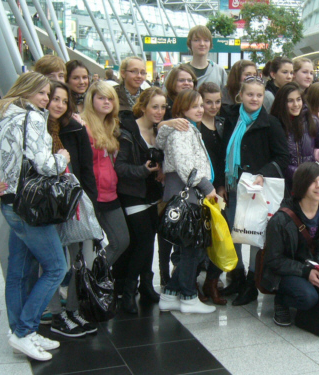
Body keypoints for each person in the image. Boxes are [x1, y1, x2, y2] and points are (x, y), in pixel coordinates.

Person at [0, 71, 69, 361]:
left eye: (48, 95)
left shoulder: (6, 116)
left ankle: (21, 331)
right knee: (56, 268)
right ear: (26, 91)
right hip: (30, 207)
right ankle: (24, 331)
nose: (46, 100)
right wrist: (63, 159)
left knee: (19, 272)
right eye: (42, 93)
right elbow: (45, 165)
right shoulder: (33, 118)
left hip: (11, 202)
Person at [219, 76, 290, 306]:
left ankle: (251, 282)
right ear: (240, 95)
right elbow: (222, 152)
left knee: (253, 235)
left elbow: (282, 157)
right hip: (233, 185)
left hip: (256, 189)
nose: (255, 99)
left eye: (259, 95)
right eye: (250, 94)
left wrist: (262, 173)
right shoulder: (231, 119)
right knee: (235, 233)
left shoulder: (271, 123)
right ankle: (237, 277)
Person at [262, 162, 319, 326]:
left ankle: (314, 297)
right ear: (302, 184)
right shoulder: (281, 219)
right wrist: (305, 272)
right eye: (313, 181)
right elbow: (273, 260)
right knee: (307, 298)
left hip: (312, 266)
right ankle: (281, 300)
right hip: (285, 272)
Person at [41, 81, 98, 337]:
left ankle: (73, 308)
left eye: (64, 101)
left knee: (78, 259)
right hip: (45, 204)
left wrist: (90, 203)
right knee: (52, 261)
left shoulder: (75, 128)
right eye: (55, 99)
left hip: (73, 202)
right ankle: (56, 313)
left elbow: (86, 168)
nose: (59, 105)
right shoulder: (36, 128)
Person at [156, 89, 217, 314]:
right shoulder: (181, 131)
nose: (201, 109)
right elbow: (184, 166)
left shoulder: (187, 128)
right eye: (195, 106)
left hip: (183, 192)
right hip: (185, 193)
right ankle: (189, 297)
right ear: (182, 109)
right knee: (192, 248)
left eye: (201, 105)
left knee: (190, 248)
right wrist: (207, 187)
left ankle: (171, 293)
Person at [114, 87, 165, 314]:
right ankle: (127, 291)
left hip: (152, 195)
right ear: (143, 106)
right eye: (155, 106)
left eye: (163, 107)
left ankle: (145, 285)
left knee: (146, 243)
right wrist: (144, 170)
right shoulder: (128, 131)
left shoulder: (158, 131)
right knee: (143, 242)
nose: (159, 111)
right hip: (132, 194)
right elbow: (121, 168)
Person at [81, 82, 130, 290]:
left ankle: (93, 278)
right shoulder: (82, 126)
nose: (106, 102)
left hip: (110, 193)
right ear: (91, 100)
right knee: (83, 249)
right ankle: (86, 285)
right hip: (90, 196)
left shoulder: (111, 126)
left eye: (110, 98)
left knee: (121, 240)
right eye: (101, 98)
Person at [196, 82, 228, 305]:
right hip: (200, 188)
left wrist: (223, 186)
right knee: (199, 238)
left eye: (217, 101)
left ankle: (213, 281)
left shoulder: (224, 123)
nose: (214, 106)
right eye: (208, 102)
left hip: (220, 189)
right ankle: (190, 282)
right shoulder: (193, 126)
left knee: (219, 237)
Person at [270, 82, 319, 188]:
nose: (296, 104)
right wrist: (300, 175)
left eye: (298, 99)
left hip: (311, 184)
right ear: (282, 103)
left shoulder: (312, 121)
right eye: (290, 101)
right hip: (285, 186)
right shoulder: (275, 124)